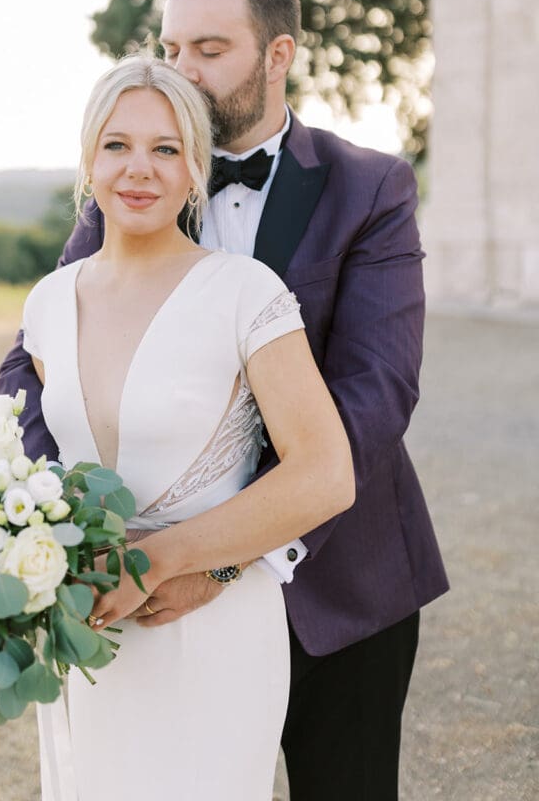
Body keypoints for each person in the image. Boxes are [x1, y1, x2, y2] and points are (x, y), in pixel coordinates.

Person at [0, 0, 449, 800]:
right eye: (171, 49)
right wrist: (58, 526)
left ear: (278, 55)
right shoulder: (135, 181)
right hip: (141, 598)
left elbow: (374, 395)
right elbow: (34, 368)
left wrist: (232, 553)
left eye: (209, 51)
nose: (184, 72)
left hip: (342, 582)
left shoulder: (369, 187)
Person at [18, 54, 354, 801]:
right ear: (88, 160)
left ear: (196, 167)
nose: (139, 169)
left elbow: (326, 473)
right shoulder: (47, 302)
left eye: (166, 149)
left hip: (213, 631)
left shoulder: (244, 292)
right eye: (118, 145)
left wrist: (163, 561)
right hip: (91, 634)